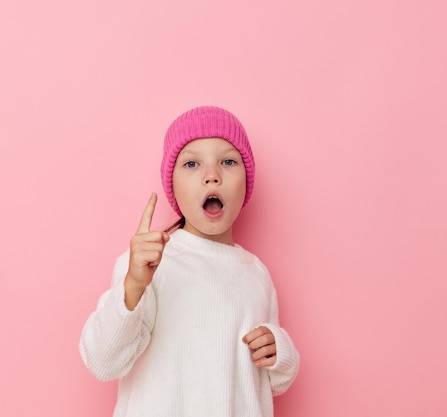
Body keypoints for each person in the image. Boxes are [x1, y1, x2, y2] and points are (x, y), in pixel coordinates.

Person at [79, 106, 299, 417]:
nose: (212, 176)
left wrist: (279, 351)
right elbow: (103, 362)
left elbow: (275, 380)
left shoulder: (256, 273)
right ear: (173, 186)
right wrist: (133, 288)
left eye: (228, 161)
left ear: (247, 181)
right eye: (192, 163)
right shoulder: (150, 263)